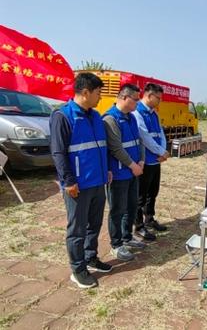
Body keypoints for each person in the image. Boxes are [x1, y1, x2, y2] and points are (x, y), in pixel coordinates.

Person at [50, 72, 112, 289]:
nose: (99, 97)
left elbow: (100, 147)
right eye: (98, 93)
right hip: (78, 184)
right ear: (85, 92)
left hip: (98, 181)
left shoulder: (95, 116)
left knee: (94, 224)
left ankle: (90, 257)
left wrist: (107, 171)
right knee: (77, 229)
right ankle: (77, 269)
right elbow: (58, 153)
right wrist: (68, 182)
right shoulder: (63, 116)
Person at [103, 84, 146, 262]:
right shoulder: (110, 119)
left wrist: (141, 160)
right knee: (117, 210)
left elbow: (139, 140)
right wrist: (132, 165)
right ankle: (116, 244)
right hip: (120, 173)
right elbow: (115, 148)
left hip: (133, 172)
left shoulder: (131, 118)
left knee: (131, 207)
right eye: (135, 99)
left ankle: (127, 237)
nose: (137, 102)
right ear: (124, 98)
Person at [132, 83, 169, 241]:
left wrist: (164, 151)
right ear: (148, 95)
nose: (160, 101)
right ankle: (138, 226)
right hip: (145, 161)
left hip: (156, 160)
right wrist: (160, 152)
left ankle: (149, 218)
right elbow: (144, 137)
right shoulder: (137, 112)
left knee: (152, 193)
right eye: (158, 98)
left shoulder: (154, 113)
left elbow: (160, 133)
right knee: (140, 195)